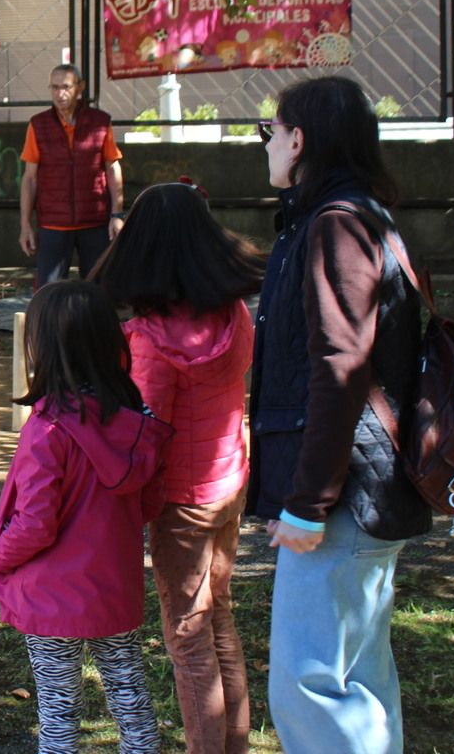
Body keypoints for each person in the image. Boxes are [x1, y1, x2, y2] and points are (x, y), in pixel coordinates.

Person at [248, 76, 432, 754]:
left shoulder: (336, 226)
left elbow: (340, 368)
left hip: (345, 497)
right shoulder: (355, 217)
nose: (265, 144)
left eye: (270, 130)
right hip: (362, 492)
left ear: (300, 140)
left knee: (311, 682)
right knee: (356, 677)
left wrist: (307, 501)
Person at [91, 181, 265, 754]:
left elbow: (145, 434)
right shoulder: (236, 314)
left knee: (188, 635)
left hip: (182, 502)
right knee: (218, 621)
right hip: (228, 483)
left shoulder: (148, 339)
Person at [0, 280, 172, 753]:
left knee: (58, 709)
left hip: (48, 594)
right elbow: (150, 504)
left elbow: (34, 522)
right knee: (130, 696)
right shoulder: (137, 420)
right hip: (113, 586)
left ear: (43, 347)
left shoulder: (47, 428)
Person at [19, 63, 126, 289]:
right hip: (53, 223)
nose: (60, 93)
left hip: (94, 221)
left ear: (81, 88)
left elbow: (112, 167)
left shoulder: (100, 123)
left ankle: (95, 326)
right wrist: (25, 224)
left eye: (66, 87)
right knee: (48, 292)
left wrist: (117, 214)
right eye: (55, 87)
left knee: (99, 288)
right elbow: (30, 178)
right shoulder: (38, 125)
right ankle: (49, 326)